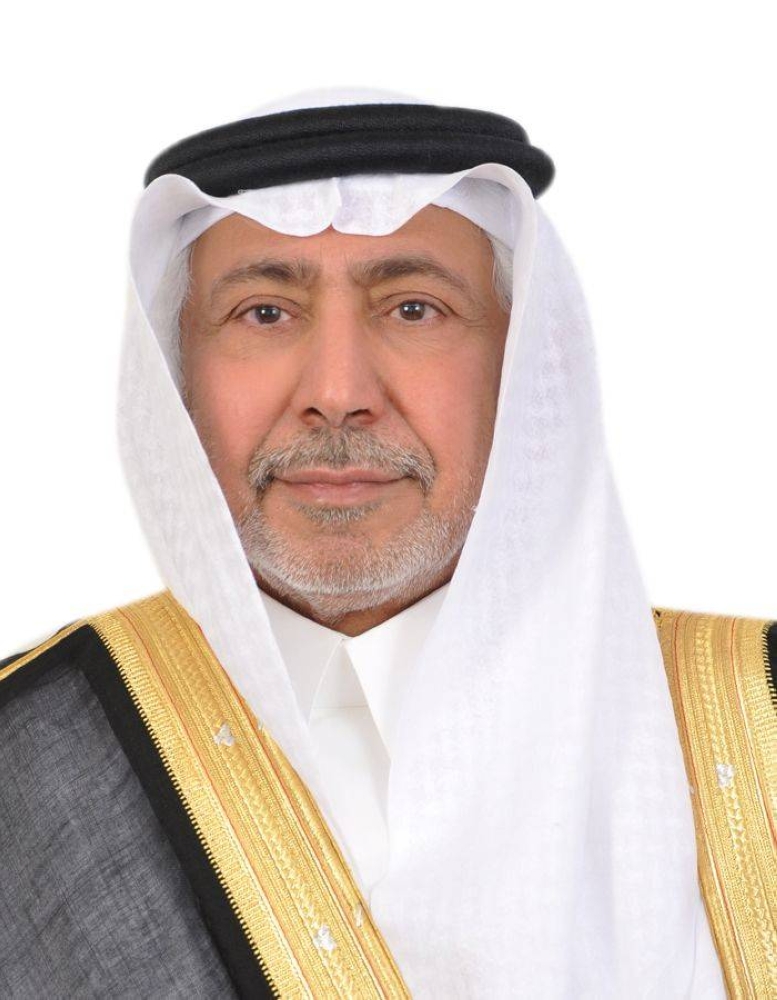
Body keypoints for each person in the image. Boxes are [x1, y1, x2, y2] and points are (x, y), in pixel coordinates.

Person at [0, 85, 773, 999]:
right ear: (178, 376)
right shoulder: (29, 754)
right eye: (263, 313)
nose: (337, 392)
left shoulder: (755, 717)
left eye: (414, 309)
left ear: (524, 364)